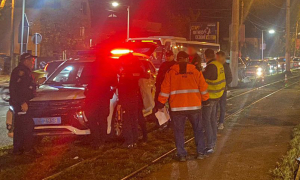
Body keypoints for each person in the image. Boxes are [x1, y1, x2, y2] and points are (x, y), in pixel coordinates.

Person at [157, 51, 209, 162]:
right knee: (198, 130)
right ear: (187, 59)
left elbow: (165, 89)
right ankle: (200, 152)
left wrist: (161, 103)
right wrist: (205, 100)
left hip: (177, 108)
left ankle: (181, 155)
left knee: (179, 131)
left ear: (178, 59)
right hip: (194, 106)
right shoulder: (195, 70)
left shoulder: (171, 71)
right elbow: (203, 87)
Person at [84, 55, 117, 150]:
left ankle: (96, 140)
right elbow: (114, 82)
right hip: (104, 97)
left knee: (92, 119)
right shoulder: (109, 67)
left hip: (92, 97)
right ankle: (102, 139)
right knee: (102, 119)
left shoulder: (91, 66)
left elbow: (84, 79)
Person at [118, 54, 148, 148]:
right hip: (136, 98)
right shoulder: (139, 69)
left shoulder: (126, 72)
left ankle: (129, 141)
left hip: (128, 98)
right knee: (135, 119)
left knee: (127, 119)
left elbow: (122, 87)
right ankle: (135, 139)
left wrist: (121, 100)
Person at [9, 53, 37, 155]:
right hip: (21, 104)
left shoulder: (26, 71)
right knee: (27, 126)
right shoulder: (21, 72)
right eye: (31, 60)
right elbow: (17, 90)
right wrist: (22, 102)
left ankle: (18, 149)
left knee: (20, 126)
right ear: (25, 61)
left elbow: (28, 87)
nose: (33, 62)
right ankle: (27, 149)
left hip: (22, 103)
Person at [202, 49, 226, 155]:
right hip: (217, 96)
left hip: (210, 97)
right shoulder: (219, 65)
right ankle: (213, 141)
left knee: (207, 121)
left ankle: (210, 145)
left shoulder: (211, 66)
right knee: (212, 120)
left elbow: (203, 79)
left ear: (205, 56)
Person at [216, 51, 232, 130]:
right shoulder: (216, 65)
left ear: (222, 57)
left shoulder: (226, 67)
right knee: (215, 107)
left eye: (218, 57)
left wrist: (223, 85)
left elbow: (230, 78)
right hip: (215, 90)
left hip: (222, 90)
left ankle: (221, 122)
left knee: (222, 106)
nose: (217, 59)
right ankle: (214, 122)